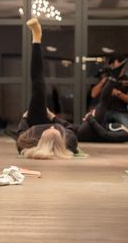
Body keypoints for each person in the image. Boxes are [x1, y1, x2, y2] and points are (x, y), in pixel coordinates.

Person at [15, 17, 80, 159]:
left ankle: (36, 38)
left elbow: (20, 132)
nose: (51, 127)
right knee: (39, 87)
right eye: (55, 130)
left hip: (32, 121)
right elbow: (69, 128)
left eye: (48, 130)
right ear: (60, 140)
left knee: (38, 88)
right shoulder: (69, 141)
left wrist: (24, 118)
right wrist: (53, 118)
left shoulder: (27, 142)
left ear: (41, 140)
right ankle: (37, 38)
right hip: (47, 120)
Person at [76, 75, 128, 144]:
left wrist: (91, 118)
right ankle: (112, 78)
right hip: (87, 131)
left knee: (103, 103)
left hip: (85, 134)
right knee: (68, 127)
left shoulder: (125, 135)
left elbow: (104, 134)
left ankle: (113, 77)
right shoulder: (127, 132)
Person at [87, 56, 128, 130]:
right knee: (92, 126)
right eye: (116, 65)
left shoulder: (127, 81)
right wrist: (104, 80)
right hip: (104, 110)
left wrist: (118, 93)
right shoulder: (105, 78)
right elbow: (93, 94)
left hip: (120, 111)